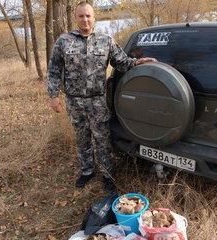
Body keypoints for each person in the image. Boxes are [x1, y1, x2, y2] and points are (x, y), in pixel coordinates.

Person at [46, 1, 157, 193]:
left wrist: (138, 62)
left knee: (103, 140)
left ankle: (108, 175)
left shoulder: (106, 40)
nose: (85, 19)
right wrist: (53, 95)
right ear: (76, 18)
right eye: (81, 16)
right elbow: (54, 70)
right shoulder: (64, 41)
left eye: (88, 16)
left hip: (97, 101)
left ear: (94, 18)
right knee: (82, 138)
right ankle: (87, 171)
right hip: (74, 101)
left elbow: (122, 63)